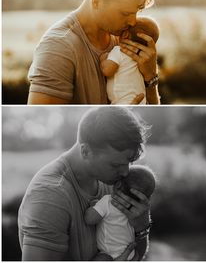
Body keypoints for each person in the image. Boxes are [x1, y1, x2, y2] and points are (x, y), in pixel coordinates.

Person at [18, 107, 153, 260]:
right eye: (115, 165)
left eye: (129, 162)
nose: (125, 173)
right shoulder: (50, 196)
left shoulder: (113, 180)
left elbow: (135, 255)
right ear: (86, 151)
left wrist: (141, 228)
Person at [27, 0, 161, 105]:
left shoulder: (125, 38)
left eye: (137, 11)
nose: (133, 21)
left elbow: (152, 119)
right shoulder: (58, 47)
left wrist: (151, 77)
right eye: (124, 13)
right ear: (96, 1)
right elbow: (47, 124)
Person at [84, 165, 157, 260]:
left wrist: (93, 207)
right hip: (131, 254)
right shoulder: (135, 212)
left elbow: (89, 219)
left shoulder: (107, 202)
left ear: (118, 184)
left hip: (108, 253)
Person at [100, 16, 159, 104]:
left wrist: (103, 60)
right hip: (142, 101)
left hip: (124, 102)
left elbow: (108, 70)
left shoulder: (118, 51)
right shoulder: (142, 61)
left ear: (125, 34)